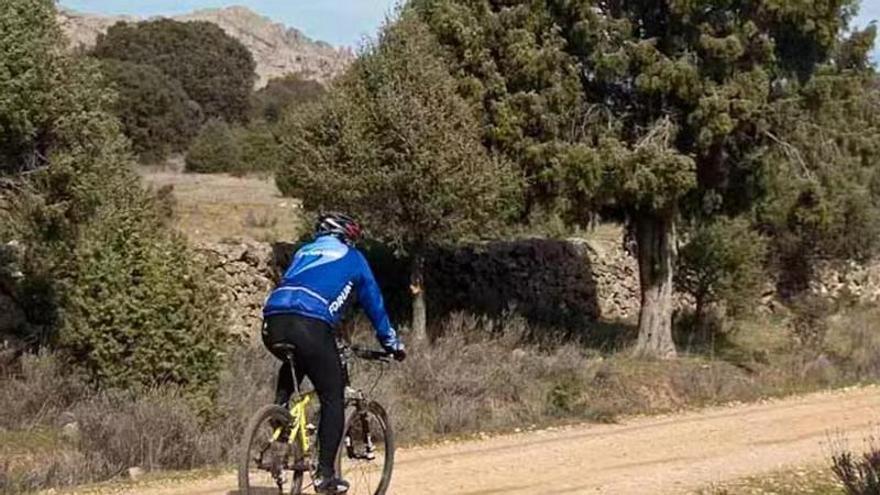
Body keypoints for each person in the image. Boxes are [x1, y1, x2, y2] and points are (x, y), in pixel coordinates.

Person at [262, 212, 405, 494]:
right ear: (347, 236)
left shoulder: (303, 252)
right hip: (311, 325)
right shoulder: (354, 258)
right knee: (332, 397)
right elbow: (373, 303)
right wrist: (391, 343)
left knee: (298, 356)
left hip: (272, 321)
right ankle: (326, 475)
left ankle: (279, 408)